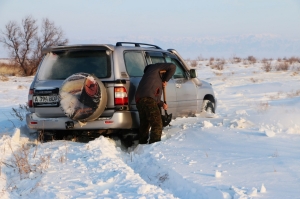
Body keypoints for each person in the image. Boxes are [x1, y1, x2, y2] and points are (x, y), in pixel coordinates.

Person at [135, 63, 176, 144]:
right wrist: (165, 79)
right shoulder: (155, 67)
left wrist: (162, 104)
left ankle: (142, 144)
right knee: (157, 124)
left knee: (145, 125)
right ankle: (154, 144)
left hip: (139, 100)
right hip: (148, 99)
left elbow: (155, 98)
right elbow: (173, 66)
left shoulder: (148, 77)